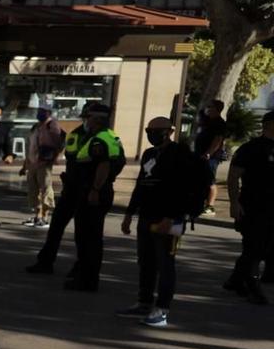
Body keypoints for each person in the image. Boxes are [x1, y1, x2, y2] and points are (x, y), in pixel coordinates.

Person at [117, 117, 209, 327]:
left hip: (170, 219)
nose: (151, 134)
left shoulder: (180, 155)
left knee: (166, 264)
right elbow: (141, 184)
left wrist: (173, 216)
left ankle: (162, 309)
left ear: (169, 132)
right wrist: (130, 213)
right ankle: (144, 301)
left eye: (156, 131)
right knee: (146, 261)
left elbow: (185, 189)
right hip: (148, 215)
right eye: (149, 130)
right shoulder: (150, 154)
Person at [26, 100, 124, 290]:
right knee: (60, 226)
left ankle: (84, 274)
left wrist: (95, 187)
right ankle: (48, 262)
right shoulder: (79, 134)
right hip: (73, 187)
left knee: (88, 236)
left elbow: (107, 164)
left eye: (88, 117)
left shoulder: (105, 137)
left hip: (90, 189)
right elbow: (74, 158)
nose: (86, 121)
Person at [223, 108, 274, 303]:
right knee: (255, 248)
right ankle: (253, 287)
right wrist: (234, 203)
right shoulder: (251, 148)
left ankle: (235, 280)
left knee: (262, 248)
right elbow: (233, 176)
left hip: (272, 208)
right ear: (269, 125)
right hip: (253, 206)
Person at [21, 107, 65, 228]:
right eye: (39, 111)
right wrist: (25, 165)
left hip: (44, 163)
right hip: (32, 162)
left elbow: (59, 143)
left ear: (49, 113)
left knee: (45, 188)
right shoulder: (36, 126)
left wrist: (55, 157)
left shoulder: (52, 125)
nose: (40, 114)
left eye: (43, 112)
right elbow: (30, 145)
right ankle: (37, 215)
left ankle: (45, 216)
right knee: (33, 190)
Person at [193, 97, 230, 208]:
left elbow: (217, 140)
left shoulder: (220, 123)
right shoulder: (207, 120)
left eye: (210, 107)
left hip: (211, 157)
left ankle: (210, 206)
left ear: (216, 109)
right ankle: (200, 202)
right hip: (200, 154)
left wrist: (209, 153)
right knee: (200, 179)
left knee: (210, 181)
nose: (208, 109)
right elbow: (201, 112)